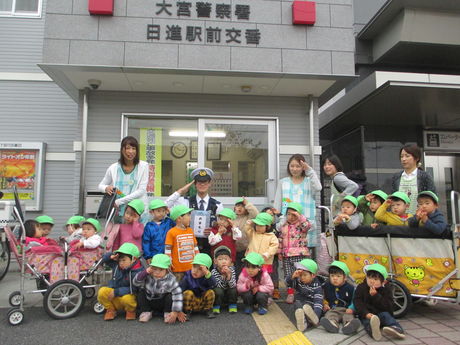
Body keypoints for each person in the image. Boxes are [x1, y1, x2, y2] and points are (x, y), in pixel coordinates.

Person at [166, 167, 223, 256]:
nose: (202, 185)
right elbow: (165, 206)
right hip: (187, 249)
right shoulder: (185, 201)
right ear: (195, 184)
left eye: (205, 182)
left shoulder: (217, 205)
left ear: (210, 183)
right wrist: (181, 191)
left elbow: (222, 229)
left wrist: (213, 231)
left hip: (209, 250)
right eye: (199, 182)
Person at [274, 154, 322, 252]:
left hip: (305, 225)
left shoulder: (309, 181)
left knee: (305, 258)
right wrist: (279, 220)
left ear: (303, 167)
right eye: (292, 166)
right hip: (288, 226)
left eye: (298, 166)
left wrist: (310, 171)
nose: (294, 169)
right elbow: (277, 203)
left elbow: (318, 187)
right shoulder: (283, 182)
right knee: (288, 256)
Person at [98, 136, 149, 223]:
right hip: (119, 212)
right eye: (128, 148)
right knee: (121, 234)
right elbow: (100, 185)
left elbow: (141, 190)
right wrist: (106, 188)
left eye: (134, 148)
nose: (131, 151)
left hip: (137, 211)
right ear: (122, 150)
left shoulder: (143, 166)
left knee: (138, 235)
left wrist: (119, 201)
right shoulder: (113, 167)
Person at [354, 264, 405, 341]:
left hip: (381, 312)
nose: (371, 281)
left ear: (383, 282)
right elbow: (358, 302)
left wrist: (376, 296)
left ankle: (396, 329)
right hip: (369, 314)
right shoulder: (361, 287)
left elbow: (388, 306)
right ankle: (374, 332)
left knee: (387, 316)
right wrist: (365, 313)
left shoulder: (386, 289)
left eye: (375, 279)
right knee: (367, 323)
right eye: (369, 277)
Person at [133, 253, 186, 324]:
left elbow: (178, 295)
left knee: (170, 297)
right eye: (154, 269)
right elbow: (135, 283)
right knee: (141, 292)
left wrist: (176, 311)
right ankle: (146, 311)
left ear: (167, 270)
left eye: (161, 270)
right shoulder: (148, 275)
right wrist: (145, 273)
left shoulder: (171, 279)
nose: (157, 272)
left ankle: (167, 313)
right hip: (150, 300)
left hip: (162, 302)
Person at [97, 243, 143, 321]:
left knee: (127, 299)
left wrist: (117, 291)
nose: (121, 263)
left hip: (127, 297)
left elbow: (134, 289)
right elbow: (104, 260)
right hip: (115, 295)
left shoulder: (137, 271)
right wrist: (111, 255)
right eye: (120, 260)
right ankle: (111, 309)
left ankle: (130, 311)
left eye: (124, 260)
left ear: (134, 259)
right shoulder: (116, 265)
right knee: (102, 292)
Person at [278, 202, 312, 304]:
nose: (291, 217)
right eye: (289, 214)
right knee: (289, 275)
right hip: (286, 255)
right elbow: (280, 239)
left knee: (301, 273)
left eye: (294, 215)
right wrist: (279, 252)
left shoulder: (301, 225)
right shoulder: (283, 226)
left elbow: (307, 226)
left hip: (300, 254)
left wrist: (300, 217)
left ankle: (303, 292)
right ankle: (290, 293)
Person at [391, 144, 436, 215]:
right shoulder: (396, 177)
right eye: (401, 156)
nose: (403, 159)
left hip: (420, 219)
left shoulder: (424, 177)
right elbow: (393, 199)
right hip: (398, 221)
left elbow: (432, 198)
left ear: (417, 158)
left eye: (407, 156)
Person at [320, 261, 360, 335]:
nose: (335, 278)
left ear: (345, 278)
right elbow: (323, 296)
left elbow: (355, 299)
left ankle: (349, 325)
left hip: (346, 309)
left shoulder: (350, 288)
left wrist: (352, 308)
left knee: (348, 317)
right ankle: (332, 324)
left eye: (338, 276)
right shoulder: (327, 285)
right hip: (333, 309)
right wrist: (325, 304)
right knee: (330, 315)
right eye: (332, 276)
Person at [287, 258, 323, 332]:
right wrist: (292, 276)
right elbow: (288, 283)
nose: (302, 277)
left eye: (305, 275)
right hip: (301, 302)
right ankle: (303, 321)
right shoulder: (299, 281)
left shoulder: (317, 286)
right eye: (300, 275)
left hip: (311, 305)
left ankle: (311, 319)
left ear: (313, 275)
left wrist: (316, 315)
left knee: (308, 309)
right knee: (297, 304)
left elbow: (318, 302)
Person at [165, 204, 199, 281]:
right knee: (178, 289)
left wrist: (198, 258)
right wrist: (168, 262)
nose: (190, 218)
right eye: (188, 215)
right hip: (178, 270)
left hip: (191, 269)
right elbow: (167, 249)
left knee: (191, 290)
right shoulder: (171, 232)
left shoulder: (190, 230)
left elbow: (195, 246)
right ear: (179, 218)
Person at [180, 253, 217, 320]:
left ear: (206, 270)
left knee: (210, 292)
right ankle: (187, 311)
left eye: (200, 269)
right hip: (192, 303)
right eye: (194, 266)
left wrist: (207, 274)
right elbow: (180, 291)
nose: (195, 271)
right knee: (187, 293)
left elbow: (214, 284)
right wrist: (178, 310)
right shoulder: (187, 277)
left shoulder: (207, 277)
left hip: (203, 302)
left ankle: (208, 310)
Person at [233, 197, 259, 279]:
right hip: (235, 249)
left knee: (246, 270)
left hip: (246, 249)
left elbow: (256, 214)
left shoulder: (248, 217)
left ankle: (246, 286)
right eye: (238, 206)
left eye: (242, 206)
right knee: (236, 270)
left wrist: (247, 204)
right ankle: (238, 286)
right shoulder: (233, 218)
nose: (240, 208)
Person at [211, 246, 238, 315]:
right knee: (218, 290)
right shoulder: (214, 271)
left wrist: (229, 276)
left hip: (228, 291)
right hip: (220, 292)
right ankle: (216, 305)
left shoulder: (231, 270)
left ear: (230, 261)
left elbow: (233, 285)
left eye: (226, 259)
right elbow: (218, 285)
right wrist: (223, 277)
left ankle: (232, 304)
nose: (223, 261)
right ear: (215, 261)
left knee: (233, 289)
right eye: (220, 259)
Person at [262, 206, 282, 300]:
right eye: (267, 214)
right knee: (265, 272)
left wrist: (279, 214)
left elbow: (283, 221)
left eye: (272, 215)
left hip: (273, 254)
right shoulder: (260, 227)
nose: (270, 217)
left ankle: (276, 290)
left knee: (274, 271)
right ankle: (265, 289)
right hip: (263, 254)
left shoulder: (276, 227)